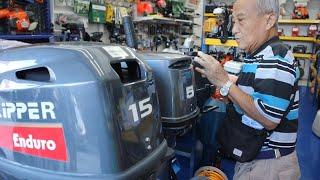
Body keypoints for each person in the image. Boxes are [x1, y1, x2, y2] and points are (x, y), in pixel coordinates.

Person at [194, 0, 301, 179]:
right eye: (233, 21)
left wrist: (225, 83)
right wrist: (231, 88)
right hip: (253, 159)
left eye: (241, 20)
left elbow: (268, 118)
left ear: (269, 20)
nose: (234, 29)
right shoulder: (258, 55)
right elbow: (254, 94)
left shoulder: (276, 59)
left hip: (268, 166)